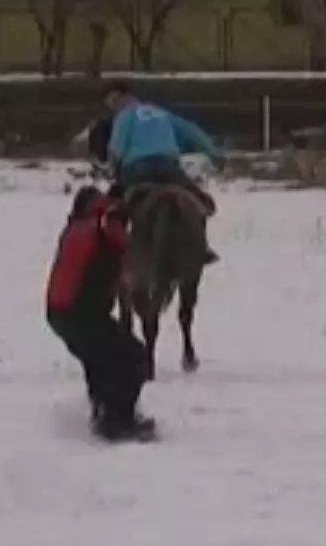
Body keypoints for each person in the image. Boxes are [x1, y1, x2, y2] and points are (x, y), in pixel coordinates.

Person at [45, 185, 155, 441]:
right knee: (134, 357)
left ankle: (103, 410)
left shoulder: (74, 228)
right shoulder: (105, 223)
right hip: (83, 314)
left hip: (58, 314)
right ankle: (117, 422)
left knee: (100, 359)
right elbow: (127, 251)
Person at [103, 81, 223, 263]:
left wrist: (112, 168)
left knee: (115, 209)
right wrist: (214, 153)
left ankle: (118, 249)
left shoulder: (124, 116)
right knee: (197, 200)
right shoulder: (162, 113)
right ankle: (201, 246)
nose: (112, 108)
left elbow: (116, 148)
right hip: (169, 168)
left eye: (112, 102)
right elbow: (192, 132)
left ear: (121, 96)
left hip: (137, 169)